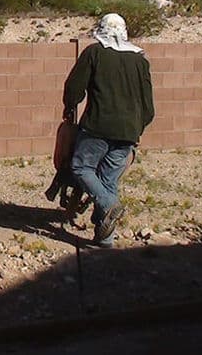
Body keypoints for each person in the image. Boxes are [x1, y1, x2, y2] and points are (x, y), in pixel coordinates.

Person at [63, 13, 154, 247]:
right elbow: (148, 106)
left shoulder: (94, 53)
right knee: (108, 180)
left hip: (97, 126)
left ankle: (106, 203)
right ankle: (105, 239)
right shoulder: (140, 60)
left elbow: (74, 87)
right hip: (129, 132)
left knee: (81, 167)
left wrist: (69, 107)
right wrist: (138, 128)